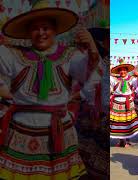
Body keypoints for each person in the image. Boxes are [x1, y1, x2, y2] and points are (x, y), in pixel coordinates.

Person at [0, 1, 100, 179]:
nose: (41, 33)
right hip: (21, 132)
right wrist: (4, 91)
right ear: (28, 32)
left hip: (58, 131)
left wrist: (92, 46)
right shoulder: (15, 55)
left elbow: (89, 75)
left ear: (54, 30)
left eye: (45, 28)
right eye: (35, 28)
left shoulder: (69, 56)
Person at [110, 62, 138, 147]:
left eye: (124, 69)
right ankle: (121, 140)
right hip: (117, 103)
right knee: (120, 122)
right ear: (118, 71)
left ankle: (127, 140)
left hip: (128, 102)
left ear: (127, 71)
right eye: (120, 70)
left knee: (128, 122)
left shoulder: (131, 79)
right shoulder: (114, 79)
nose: (122, 71)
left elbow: (137, 83)